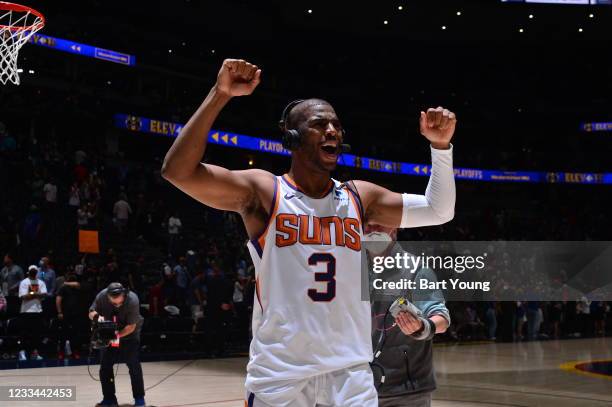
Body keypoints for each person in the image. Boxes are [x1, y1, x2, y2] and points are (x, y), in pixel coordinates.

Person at [162, 59, 456, 406]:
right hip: (281, 373)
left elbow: (439, 210)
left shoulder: (359, 196)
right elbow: (177, 171)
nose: (332, 130)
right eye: (319, 124)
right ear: (292, 136)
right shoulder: (265, 192)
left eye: (336, 125)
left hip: (350, 373)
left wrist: (440, 149)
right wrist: (219, 94)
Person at [365, 224, 450, 407]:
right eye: (366, 225)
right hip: (359, 386)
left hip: (406, 391)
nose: (371, 229)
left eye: (378, 225)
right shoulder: (349, 268)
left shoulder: (416, 269)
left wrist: (421, 327)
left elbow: (441, 318)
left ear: (393, 230)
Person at [89, 282, 145, 407]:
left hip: (129, 333)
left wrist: (116, 336)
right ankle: (109, 399)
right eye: (114, 303)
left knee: (133, 365)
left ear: (124, 295)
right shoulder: (101, 296)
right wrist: (97, 317)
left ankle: (139, 399)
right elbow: (91, 312)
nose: (117, 305)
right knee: (105, 367)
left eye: (120, 303)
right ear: (108, 297)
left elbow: (131, 327)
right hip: (108, 333)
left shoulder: (133, 300)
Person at [18, 265, 47, 360]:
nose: (33, 272)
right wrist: (36, 294)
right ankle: (22, 352)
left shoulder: (41, 282)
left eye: (35, 271)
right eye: (32, 271)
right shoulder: (24, 282)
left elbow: (44, 294)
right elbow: (23, 297)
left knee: (36, 334)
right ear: (29, 272)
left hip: (37, 310)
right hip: (26, 311)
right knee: (25, 333)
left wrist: (32, 294)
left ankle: (34, 353)